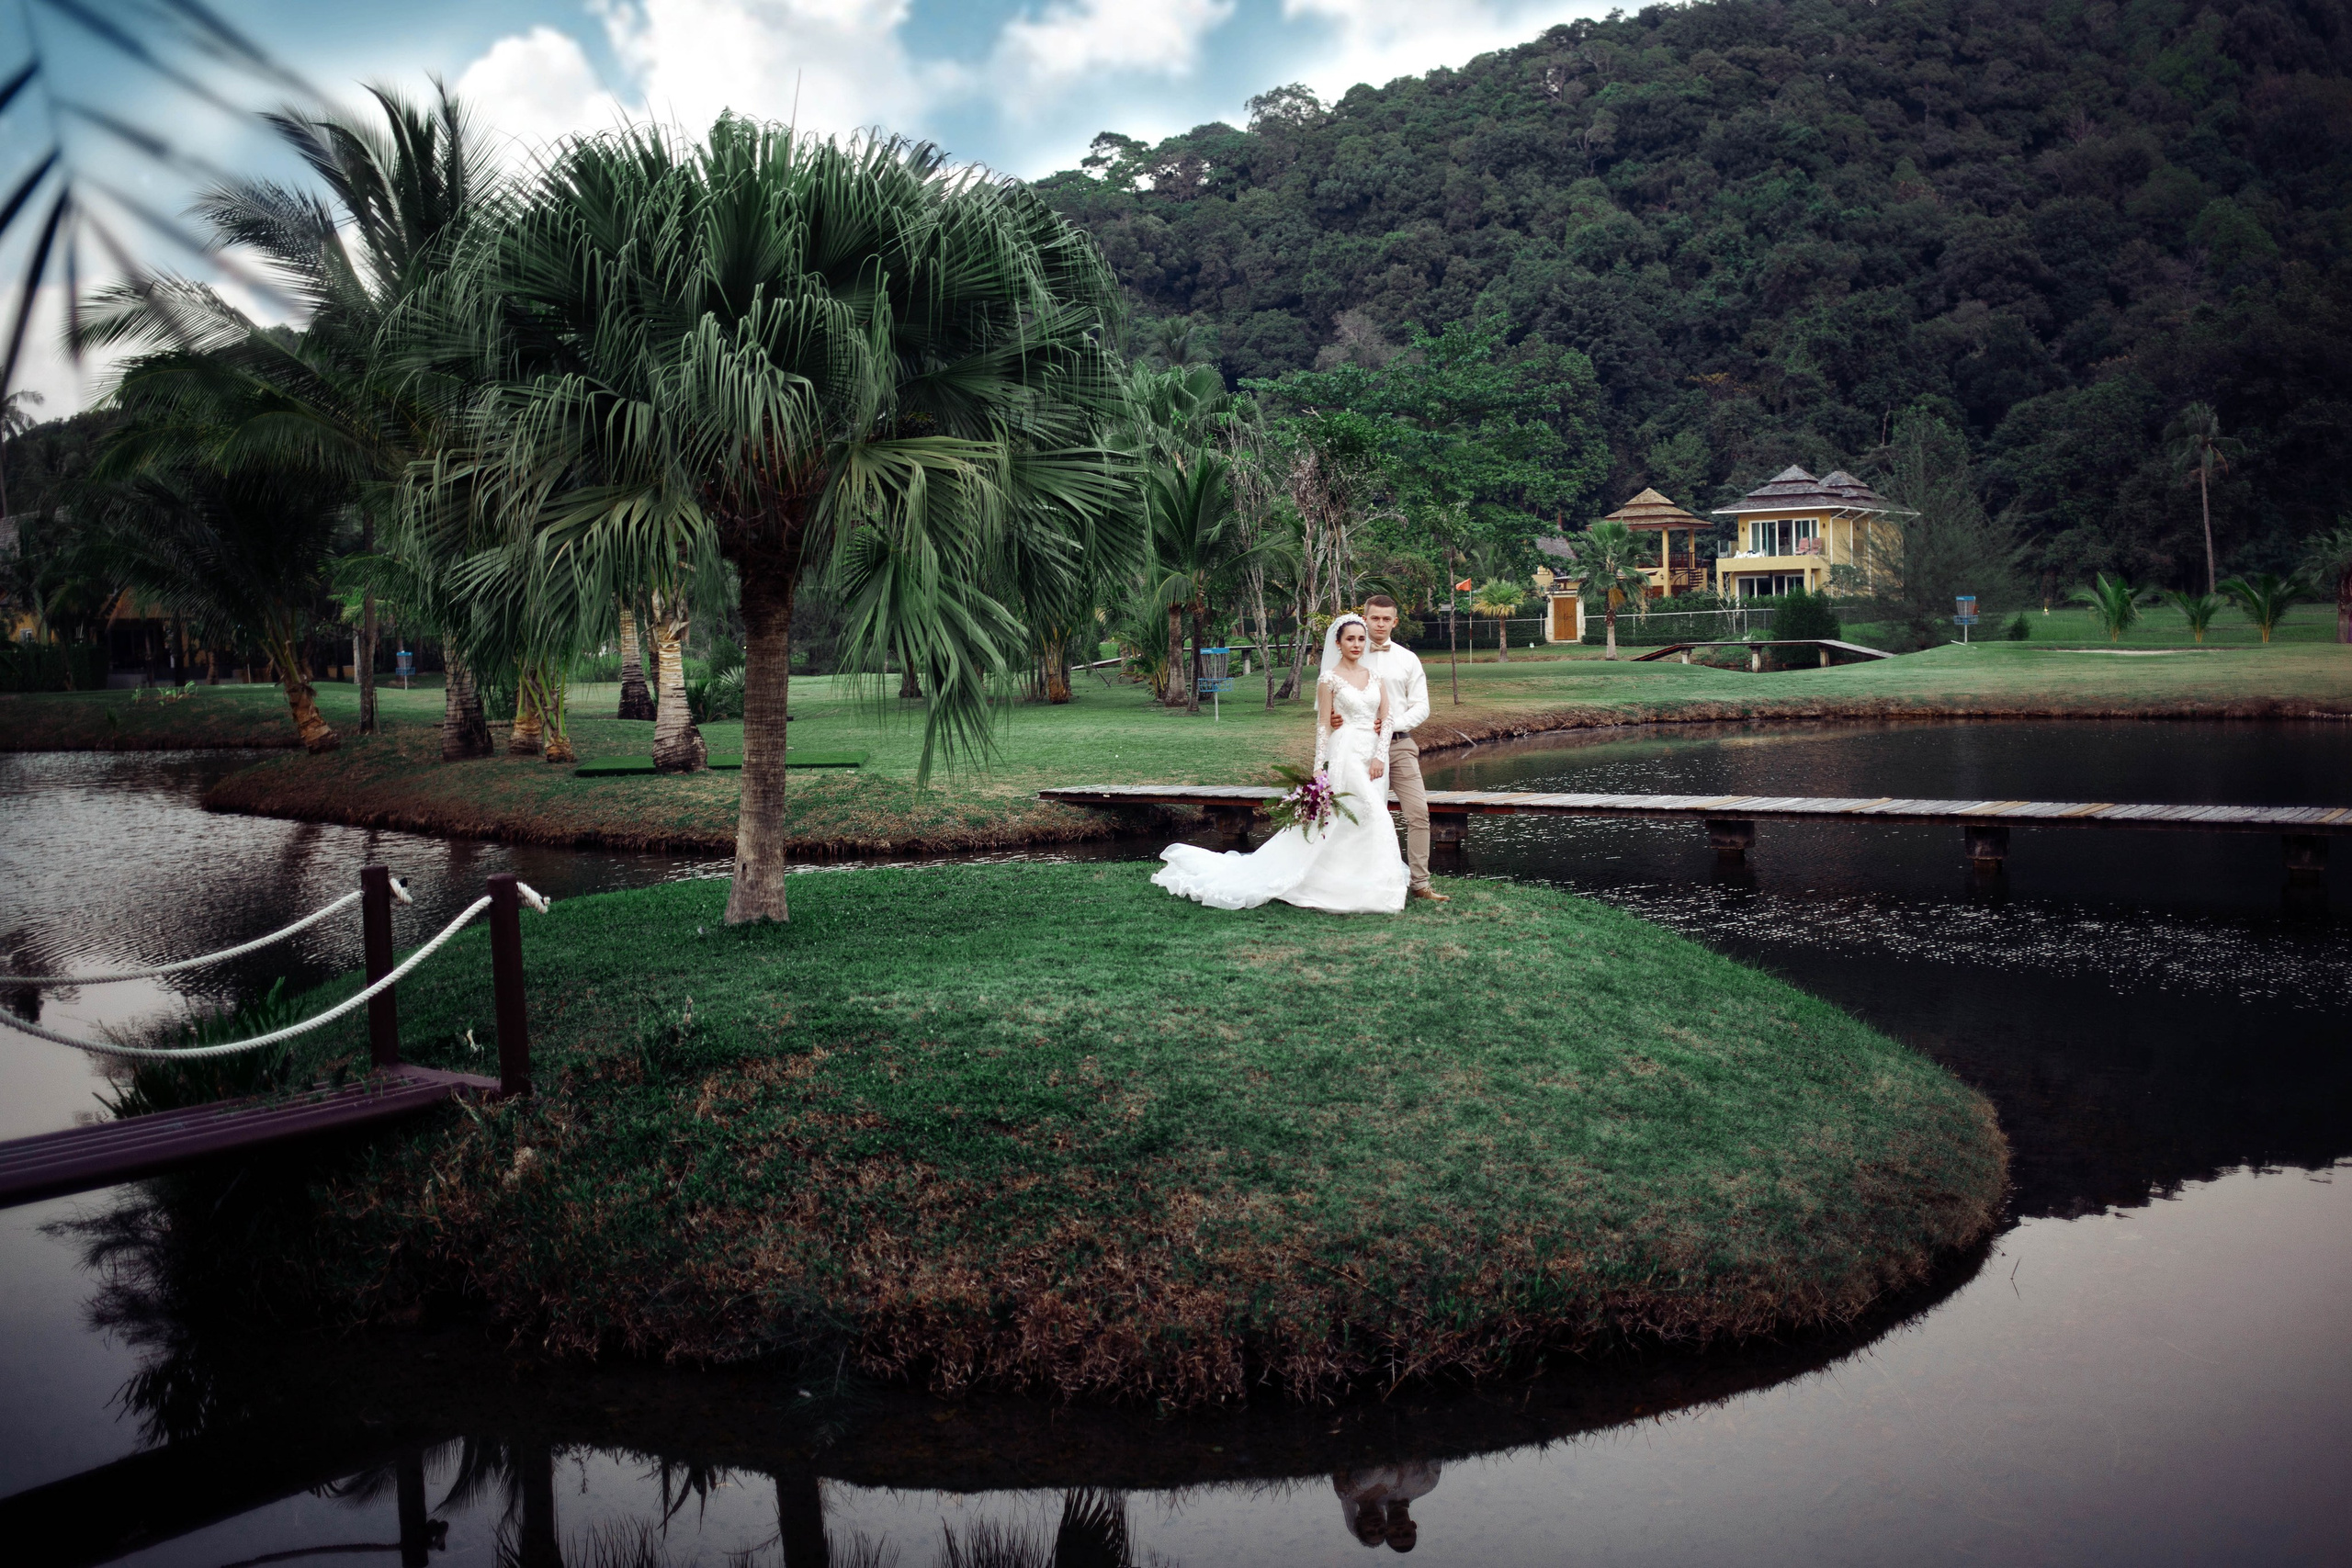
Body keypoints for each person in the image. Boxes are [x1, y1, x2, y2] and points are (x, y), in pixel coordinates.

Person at [1151, 615, 1409, 914]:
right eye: (1350, 639)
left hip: (1375, 756)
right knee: (1374, 813)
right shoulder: (1329, 679)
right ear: (1337, 643)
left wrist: (1380, 755)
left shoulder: (1375, 677)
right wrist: (1318, 768)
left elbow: (1387, 717)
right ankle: (1381, 890)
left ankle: (1359, 879)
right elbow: (1323, 725)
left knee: (1360, 818)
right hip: (1347, 753)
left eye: (1361, 639)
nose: (1356, 644)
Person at [1347, 594, 1447, 902]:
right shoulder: (1351, 654)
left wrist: (1391, 723)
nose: (1379, 624)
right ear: (1365, 618)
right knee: (1358, 813)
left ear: (1395, 621)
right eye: (1374, 618)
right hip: (1359, 747)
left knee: (1418, 812)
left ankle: (1420, 883)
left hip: (1399, 744)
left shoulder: (1407, 659)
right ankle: (1356, 880)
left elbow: (1422, 707)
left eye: (1385, 618)